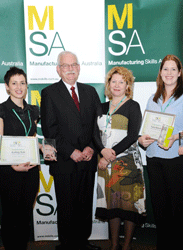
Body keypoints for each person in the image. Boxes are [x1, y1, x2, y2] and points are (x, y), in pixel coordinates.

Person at [41, 51, 102, 250]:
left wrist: (92, 147)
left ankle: (83, 242)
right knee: (67, 206)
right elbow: (50, 129)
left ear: (79, 67)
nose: (70, 69)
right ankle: (67, 245)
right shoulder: (49, 93)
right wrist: (70, 151)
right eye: (65, 66)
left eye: (73, 65)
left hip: (88, 159)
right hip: (65, 162)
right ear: (58, 69)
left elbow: (97, 125)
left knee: (84, 204)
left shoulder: (90, 92)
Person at [0, 66, 55, 250]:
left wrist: (43, 148)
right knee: (11, 216)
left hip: (32, 168)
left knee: (25, 214)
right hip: (10, 171)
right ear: (7, 86)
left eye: (22, 83)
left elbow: (32, 137)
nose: (19, 87)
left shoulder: (33, 110)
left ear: (27, 86)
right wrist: (12, 165)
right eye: (14, 83)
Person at [94, 67, 146, 250]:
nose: (117, 85)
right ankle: (114, 245)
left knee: (129, 206)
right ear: (108, 84)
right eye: (113, 81)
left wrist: (108, 155)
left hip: (128, 163)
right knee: (112, 206)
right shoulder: (100, 107)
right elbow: (93, 135)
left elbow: (132, 136)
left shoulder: (133, 106)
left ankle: (126, 247)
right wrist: (102, 152)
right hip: (106, 165)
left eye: (121, 82)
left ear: (127, 85)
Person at [138, 55, 183, 249]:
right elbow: (146, 129)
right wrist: (141, 139)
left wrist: (176, 136)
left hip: (175, 159)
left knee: (177, 209)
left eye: (173, 69)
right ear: (160, 72)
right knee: (160, 208)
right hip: (154, 158)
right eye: (165, 69)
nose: (169, 73)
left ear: (180, 73)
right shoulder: (152, 98)